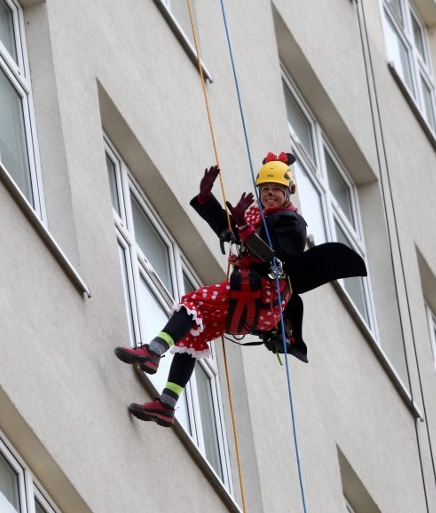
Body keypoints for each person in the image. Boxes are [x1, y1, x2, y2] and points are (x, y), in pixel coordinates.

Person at [114, 152, 307, 427]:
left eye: (277, 189)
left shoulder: (292, 223)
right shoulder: (257, 214)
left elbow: (272, 257)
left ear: (289, 192)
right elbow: (227, 228)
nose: (270, 194)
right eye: (265, 189)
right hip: (249, 296)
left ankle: (153, 351)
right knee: (194, 334)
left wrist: (242, 225)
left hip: (265, 295)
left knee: (194, 302)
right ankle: (167, 404)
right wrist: (206, 198)